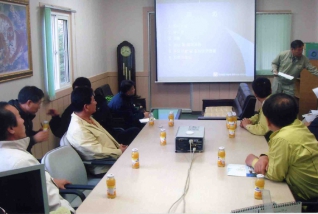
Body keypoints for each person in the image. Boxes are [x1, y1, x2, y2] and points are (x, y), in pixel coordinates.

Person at [0, 102, 74, 213]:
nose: (23, 120)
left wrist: (50, 182)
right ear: (11, 128)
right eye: (19, 117)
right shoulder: (22, 162)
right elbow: (53, 206)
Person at [245, 93, 318, 201]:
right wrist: (264, 156)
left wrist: (254, 161)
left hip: (308, 198)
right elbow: (284, 153)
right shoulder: (297, 126)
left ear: (268, 121)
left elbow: (275, 175)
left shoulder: (282, 138)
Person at [48, 77, 139, 145]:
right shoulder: (72, 111)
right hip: (100, 143)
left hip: (109, 134)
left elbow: (107, 118)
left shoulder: (98, 102)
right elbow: (60, 131)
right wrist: (55, 118)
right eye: (77, 91)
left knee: (135, 131)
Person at [66, 87, 127, 176]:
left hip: (115, 159)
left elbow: (104, 138)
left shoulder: (88, 118)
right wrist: (119, 151)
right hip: (106, 169)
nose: (96, 102)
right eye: (93, 100)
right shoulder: (78, 129)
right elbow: (96, 152)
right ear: (86, 107)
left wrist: (118, 146)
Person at [8, 86, 49, 153]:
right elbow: (14, 144)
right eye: (39, 103)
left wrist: (37, 133)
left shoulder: (26, 113)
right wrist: (34, 139)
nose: (39, 107)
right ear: (29, 103)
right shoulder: (11, 116)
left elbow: (26, 134)